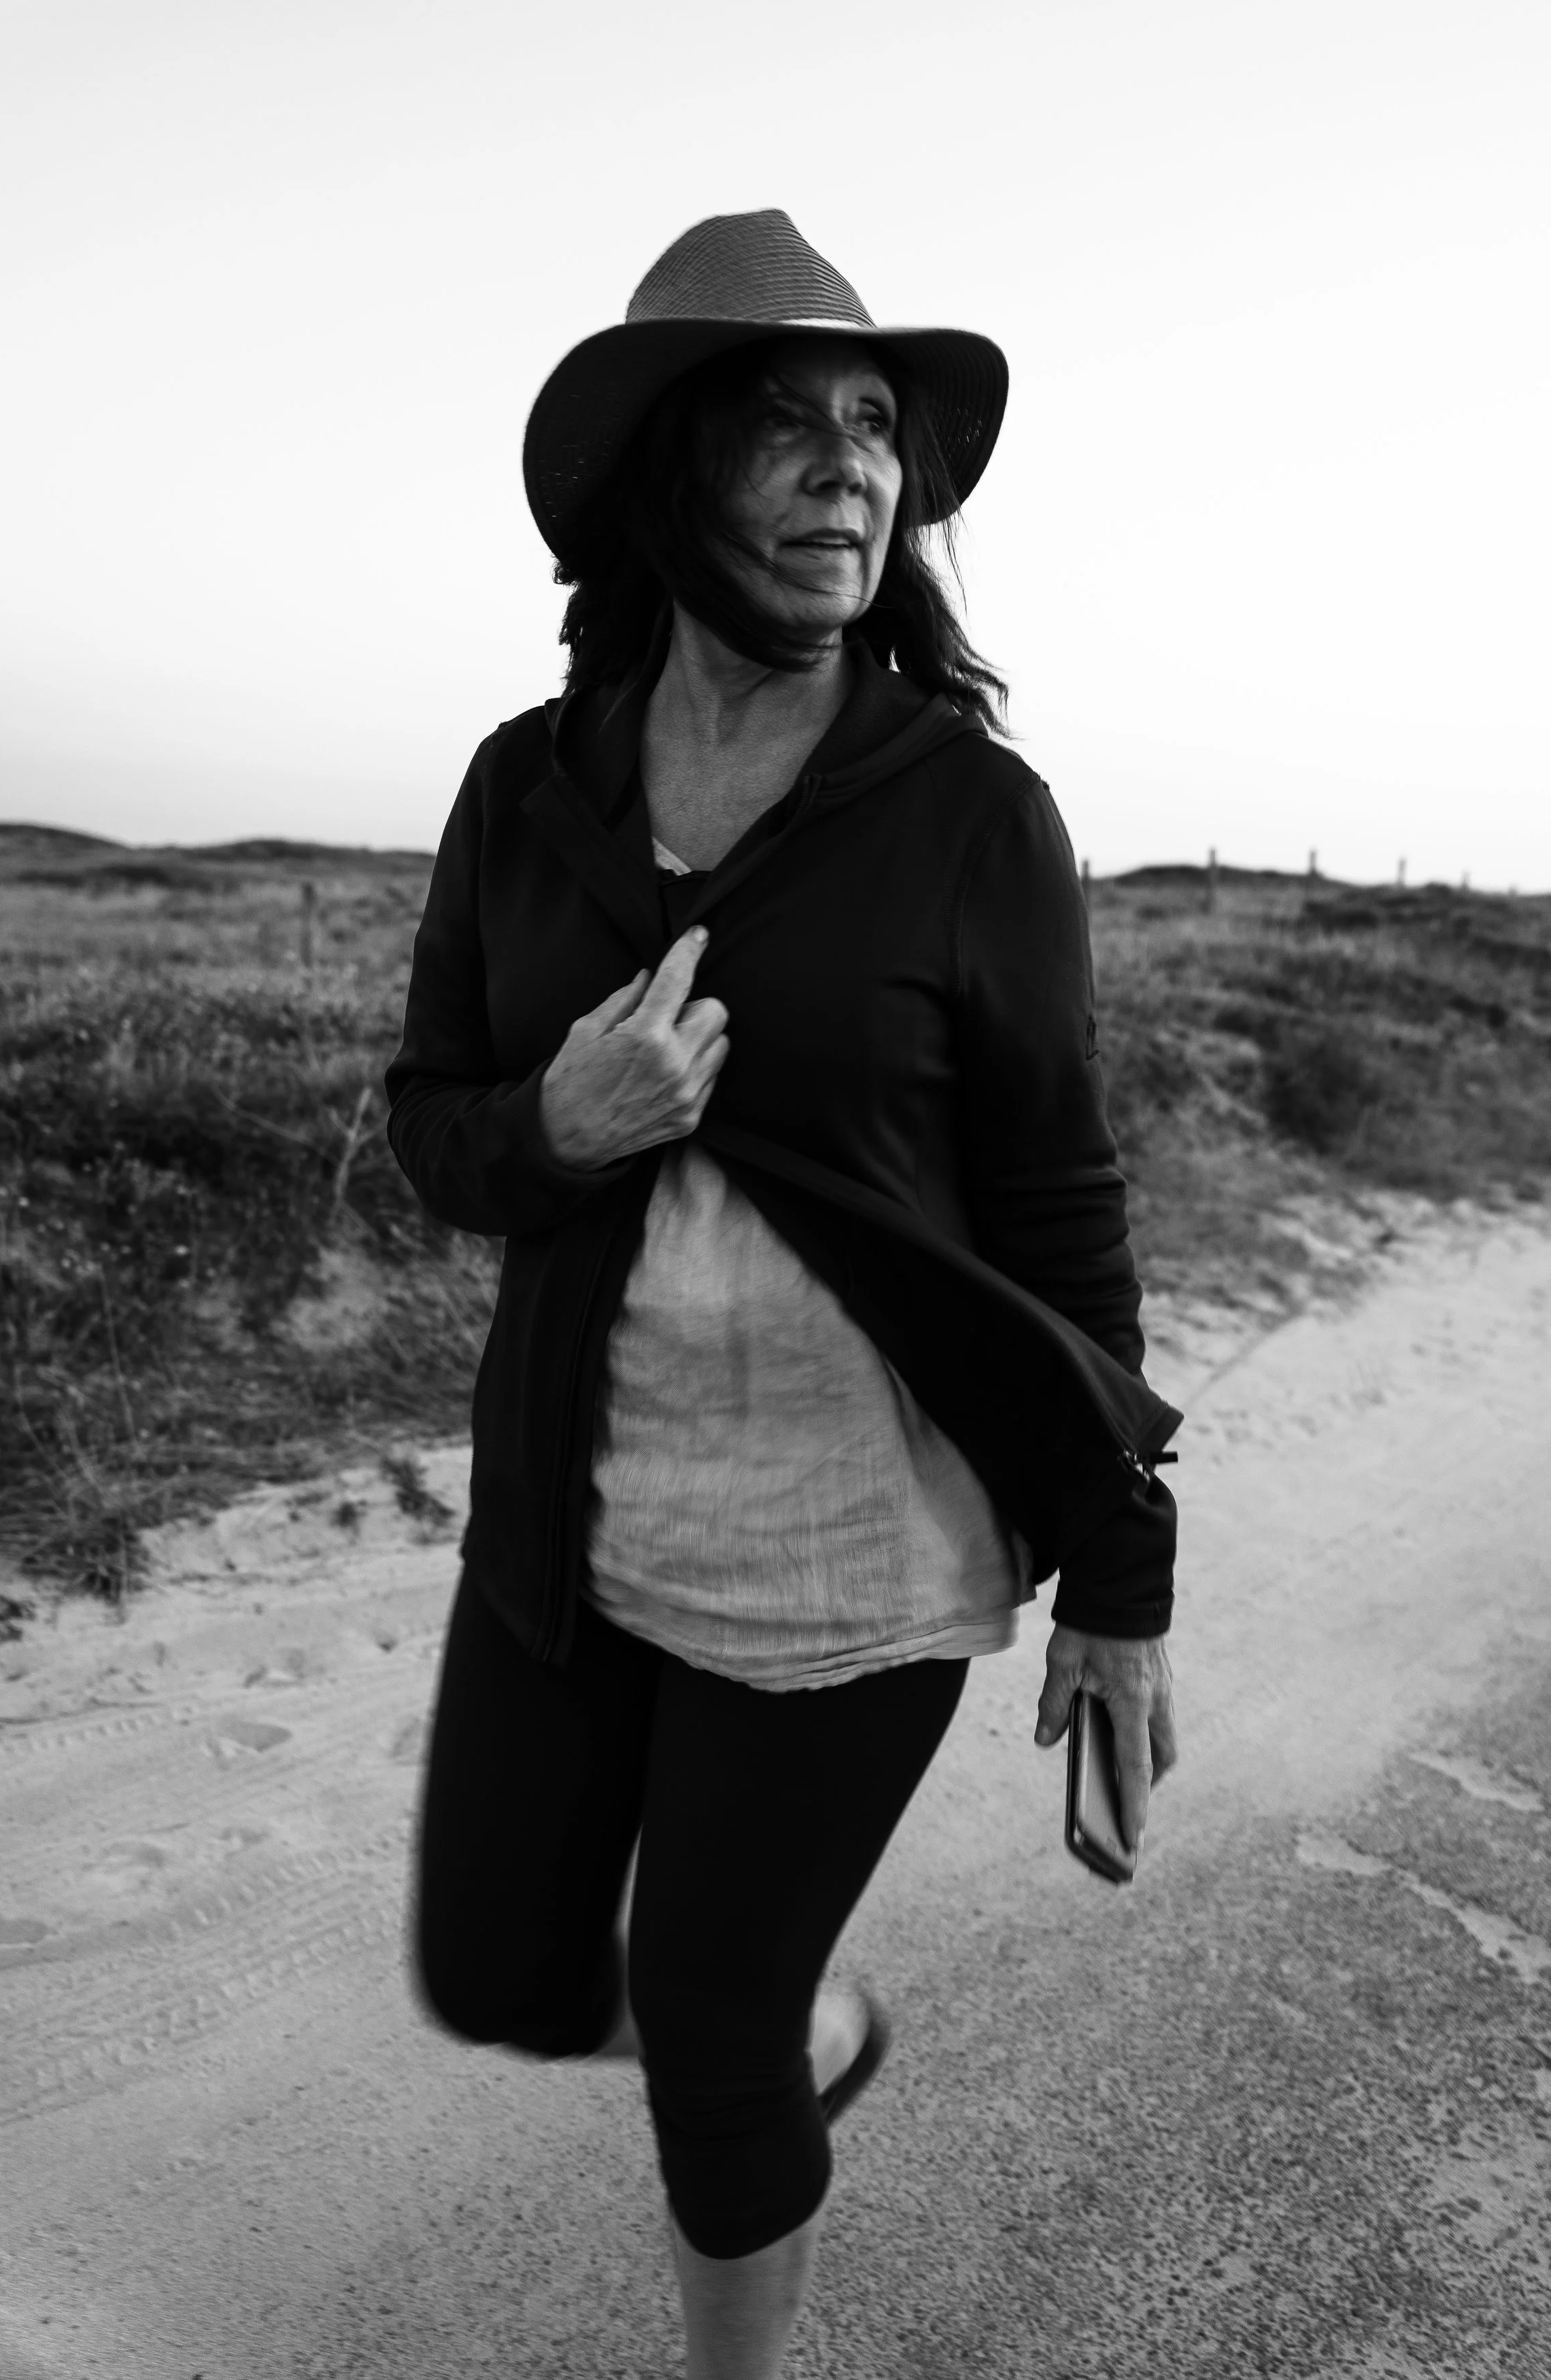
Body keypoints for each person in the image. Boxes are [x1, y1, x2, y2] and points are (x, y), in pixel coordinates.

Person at [387, 208, 1180, 2380]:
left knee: (706, 2043)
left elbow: (1058, 1199)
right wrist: (555, 1122)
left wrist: (1123, 1566)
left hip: (852, 1546)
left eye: (874, 432)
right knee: (501, 1969)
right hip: (580, 1505)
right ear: (671, 474)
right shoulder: (520, 790)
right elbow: (430, 1123)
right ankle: (807, 2019)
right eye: (787, 427)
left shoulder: (965, 815)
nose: (850, 471)